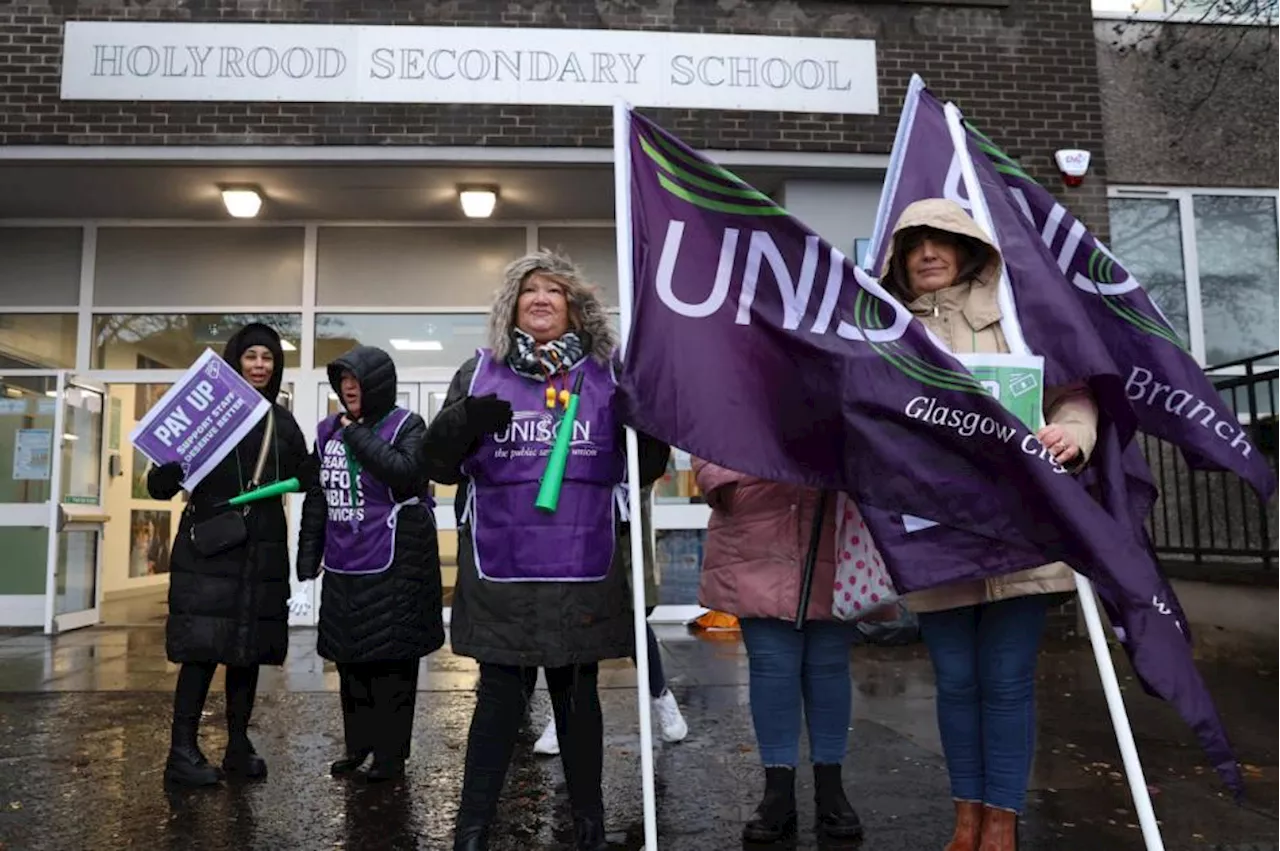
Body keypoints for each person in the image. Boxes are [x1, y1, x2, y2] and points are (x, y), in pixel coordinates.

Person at [424, 250, 670, 851]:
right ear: (513, 306)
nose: (541, 298)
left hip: (581, 570)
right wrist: (461, 422)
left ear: (575, 309)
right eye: (529, 289)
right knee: (499, 705)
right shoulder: (478, 373)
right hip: (501, 571)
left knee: (578, 700)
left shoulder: (610, 378)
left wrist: (652, 419)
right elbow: (434, 466)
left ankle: (590, 822)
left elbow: (644, 468)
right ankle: (473, 827)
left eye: (555, 291)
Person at [880, 198, 1098, 851]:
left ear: (970, 246)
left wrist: (1072, 435)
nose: (926, 253)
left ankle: (1001, 819)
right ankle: (966, 816)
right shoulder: (887, 331)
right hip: (936, 534)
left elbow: (1074, 395)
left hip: (1019, 533)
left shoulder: (1022, 317)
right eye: (913, 243)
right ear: (898, 257)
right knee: (955, 680)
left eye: (940, 240)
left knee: (1005, 679)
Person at [146, 322, 314, 787]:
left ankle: (238, 745)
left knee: (246, 653)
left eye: (268, 358)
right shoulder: (206, 416)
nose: (260, 366)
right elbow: (160, 485)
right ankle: (181, 751)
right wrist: (165, 475)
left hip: (260, 554)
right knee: (201, 651)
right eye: (252, 356)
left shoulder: (281, 421)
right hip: (211, 552)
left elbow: (305, 473)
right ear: (234, 360)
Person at [693, 462, 866, 844]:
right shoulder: (735, 398)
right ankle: (778, 792)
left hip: (832, 521)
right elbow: (705, 436)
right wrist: (729, 484)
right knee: (772, 666)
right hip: (758, 526)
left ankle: (831, 788)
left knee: (829, 666)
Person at [296, 345, 444, 782]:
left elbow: (405, 471)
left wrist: (355, 433)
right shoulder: (327, 431)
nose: (348, 388)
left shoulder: (407, 425)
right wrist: (308, 556)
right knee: (351, 665)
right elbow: (320, 491)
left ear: (378, 385)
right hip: (346, 567)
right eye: (343, 382)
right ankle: (358, 748)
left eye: (357, 381)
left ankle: (390, 757)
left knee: (392, 667)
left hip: (395, 569)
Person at [533, 485, 689, 756]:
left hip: (619, 517)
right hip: (572, 518)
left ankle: (661, 696)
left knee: (631, 617)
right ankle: (564, 716)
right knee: (572, 612)